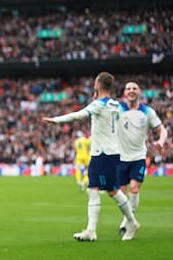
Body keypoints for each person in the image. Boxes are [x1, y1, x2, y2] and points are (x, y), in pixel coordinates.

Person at [43, 72, 140, 242]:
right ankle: (91, 230)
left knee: (112, 190)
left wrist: (55, 120)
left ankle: (131, 222)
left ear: (98, 84)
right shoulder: (116, 105)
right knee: (93, 189)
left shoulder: (99, 105)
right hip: (105, 153)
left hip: (103, 153)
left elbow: (77, 115)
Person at [117, 81, 168, 236]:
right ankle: (129, 219)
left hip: (138, 156)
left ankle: (127, 223)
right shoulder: (117, 109)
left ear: (139, 92)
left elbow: (162, 130)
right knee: (122, 193)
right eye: (128, 88)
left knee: (134, 189)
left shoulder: (147, 111)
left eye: (134, 88)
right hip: (120, 157)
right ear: (124, 93)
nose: (131, 90)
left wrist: (160, 141)